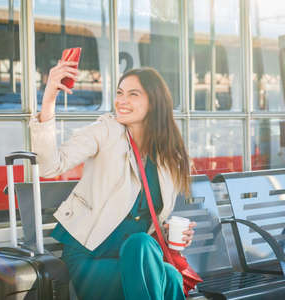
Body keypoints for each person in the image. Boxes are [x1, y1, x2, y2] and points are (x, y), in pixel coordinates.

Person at [30, 61, 196, 300]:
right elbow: (50, 165)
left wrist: (166, 229)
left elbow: (146, 215)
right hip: (91, 260)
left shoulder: (168, 155)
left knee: (165, 271)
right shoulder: (106, 131)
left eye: (133, 94)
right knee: (160, 269)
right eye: (119, 93)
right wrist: (48, 100)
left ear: (154, 102)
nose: (121, 100)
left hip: (136, 259)